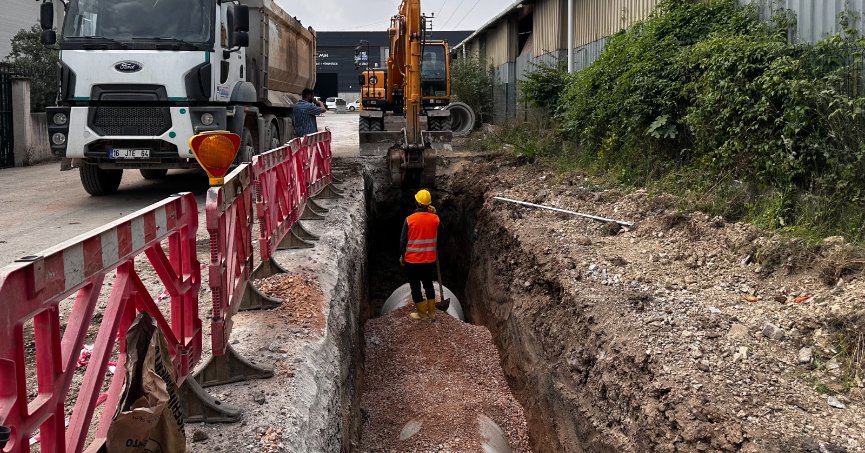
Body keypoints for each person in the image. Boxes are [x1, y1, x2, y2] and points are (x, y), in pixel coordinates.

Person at [399, 189, 441, 321]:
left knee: (415, 287)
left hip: (412, 262)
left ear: (417, 203)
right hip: (429, 260)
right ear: (428, 204)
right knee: (428, 285)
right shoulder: (435, 219)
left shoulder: (409, 220)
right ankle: (432, 313)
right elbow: (443, 233)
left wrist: (403, 256)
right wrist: (435, 214)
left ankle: (422, 314)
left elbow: (402, 241)